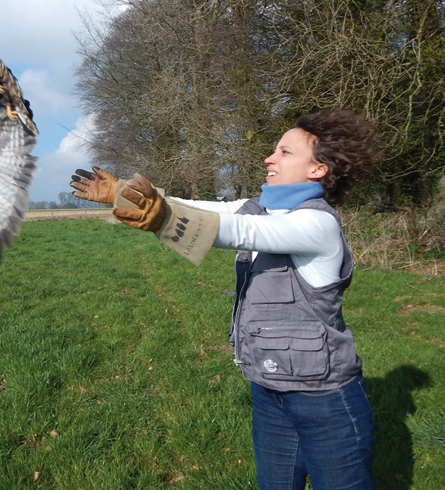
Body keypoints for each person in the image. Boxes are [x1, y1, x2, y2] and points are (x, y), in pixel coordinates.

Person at [70, 109, 378, 490]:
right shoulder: (258, 207)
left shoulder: (317, 224)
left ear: (317, 169)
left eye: (284, 152)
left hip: (326, 399)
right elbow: (202, 208)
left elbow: (241, 231)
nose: (269, 158)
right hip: (268, 389)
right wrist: (121, 194)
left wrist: (163, 218)